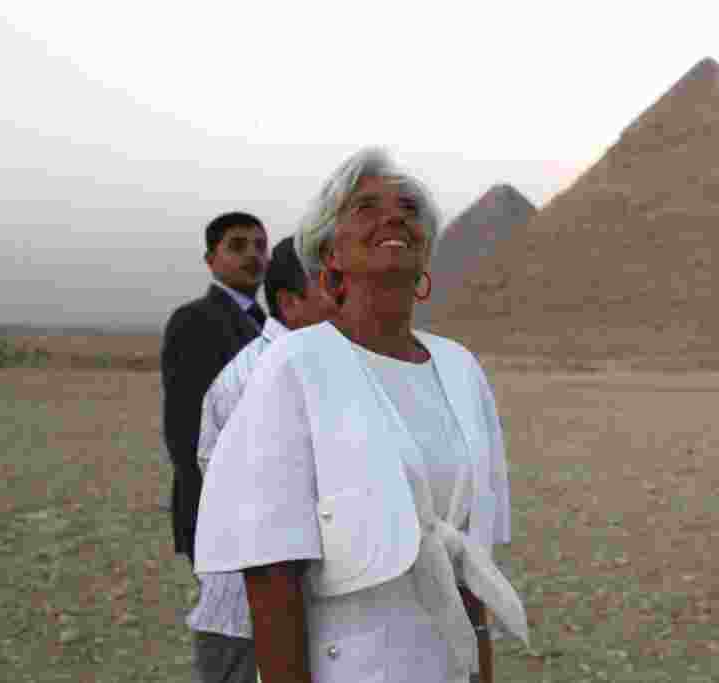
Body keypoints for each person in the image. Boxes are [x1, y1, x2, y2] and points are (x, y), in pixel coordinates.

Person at [195, 147, 528, 683]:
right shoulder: (298, 363)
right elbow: (271, 577)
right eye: (367, 207)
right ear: (329, 253)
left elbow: (470, 561)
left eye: (408, 208)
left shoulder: (461, 368)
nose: (394, 215)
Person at [187, 236, 340, 683]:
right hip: (251, 618)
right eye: (332, 284)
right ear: (291, 303)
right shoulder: (262, 377)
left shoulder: (310, 364)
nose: (349, 297)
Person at [161, 212, 268, 680]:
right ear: (211, 259)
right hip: (219, 512)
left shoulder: (267, 321)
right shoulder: (194, 321)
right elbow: (185, 430)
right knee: (232, 642)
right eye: (238, 245)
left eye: (260, 245)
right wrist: (222, 512)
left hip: (262, 508)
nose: (252, 255)